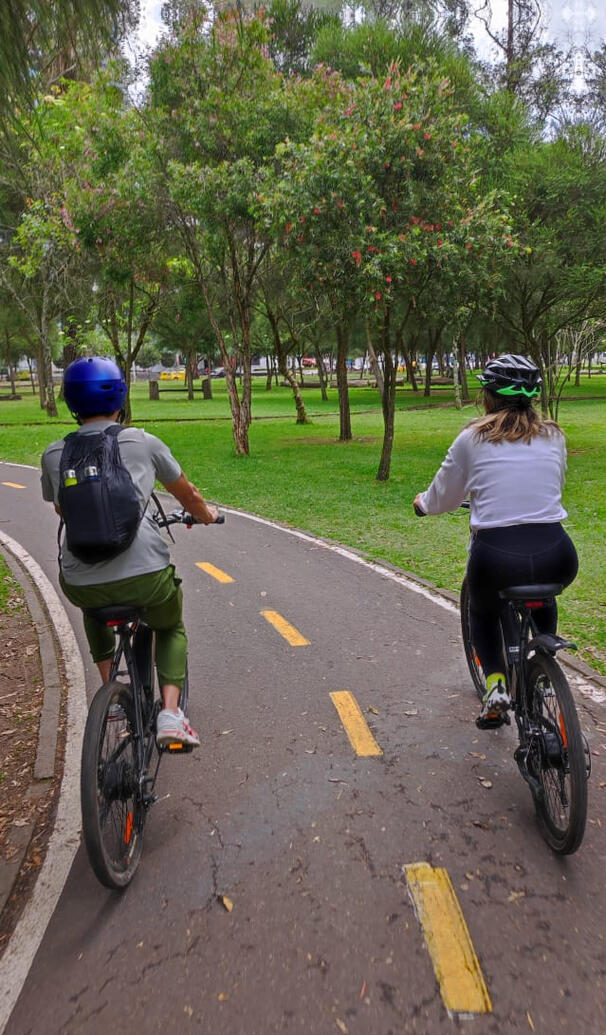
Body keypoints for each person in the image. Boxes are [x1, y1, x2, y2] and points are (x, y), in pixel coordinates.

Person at [41, 356, 219, 748]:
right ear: (121, 395)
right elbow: (187, 494)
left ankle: (110, 694)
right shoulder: (141, 441)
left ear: (70, 402)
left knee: (94, 607)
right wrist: (205, 516)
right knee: (169, 625)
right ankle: (171, 714)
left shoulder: (54, 456)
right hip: (146, 577)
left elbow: (61, 508)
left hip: (81, 580)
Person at [413, 354, 578, 728]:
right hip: (557, 553)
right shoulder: (554, 436)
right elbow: (553, 484)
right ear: (533, 397)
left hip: (496, 558)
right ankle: (544, 665)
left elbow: (444, 497)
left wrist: (423, 504)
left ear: (486, 395)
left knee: (482, 611)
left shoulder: (472, 439)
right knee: (543, 596)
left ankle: (497, 685)